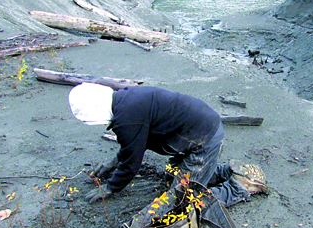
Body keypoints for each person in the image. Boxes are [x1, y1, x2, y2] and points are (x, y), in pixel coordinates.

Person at [68, 83, 268, 207]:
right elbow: (134, 144)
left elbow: (132, 163)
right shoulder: (125, 99)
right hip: (199, 130)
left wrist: (110, 188)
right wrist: (112, 163)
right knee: (173, 175)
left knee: (183, 200)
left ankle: (239, 187)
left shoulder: (127, 120)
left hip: (203, 139)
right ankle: (224, 171)